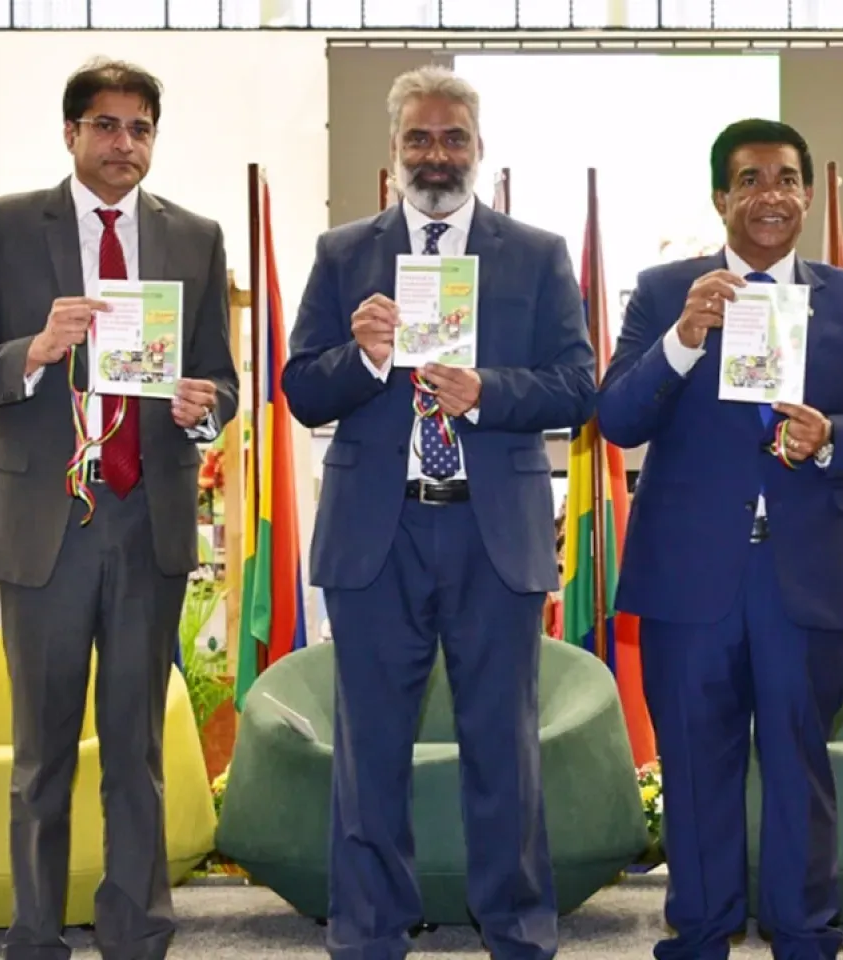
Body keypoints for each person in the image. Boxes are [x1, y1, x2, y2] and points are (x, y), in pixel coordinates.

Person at [282, 64, 594, 960]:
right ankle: (369, 934)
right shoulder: (343, 254)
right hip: (376, 537)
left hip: (492, 533)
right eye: (419, 137)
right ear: (393, 152)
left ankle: (519, 932)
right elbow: (301, 389)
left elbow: (578, 387)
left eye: (453, 137)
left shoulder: (536, 253)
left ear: (479, 150)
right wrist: (364, 358)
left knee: (505, 747)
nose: (437, 154)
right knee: (370, 750)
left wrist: (486, 391)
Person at [0, 58, 238, 960]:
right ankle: (35, 936)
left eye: (141, 128)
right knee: (42, 757)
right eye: (106, 125)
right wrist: (33, 350)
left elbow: (221, 380)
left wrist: (204, 406)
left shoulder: (196, 237)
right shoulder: (0, 227)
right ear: (71, 133)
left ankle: (136, 933)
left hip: (149, 518)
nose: (123, 143)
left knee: (136, 752)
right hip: (45, 526)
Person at [598, 118, 843, 960]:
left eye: (785, 179)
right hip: (690, 576)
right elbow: (617, 417)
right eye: (749, 180)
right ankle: (700, 934)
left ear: (806, 195)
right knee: (693, 763)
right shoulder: (665, 291)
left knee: (798, 762)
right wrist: (683, 340)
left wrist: (833, 437)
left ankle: (804, 935)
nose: (769, 195)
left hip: (804, 575)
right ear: (720, 198)